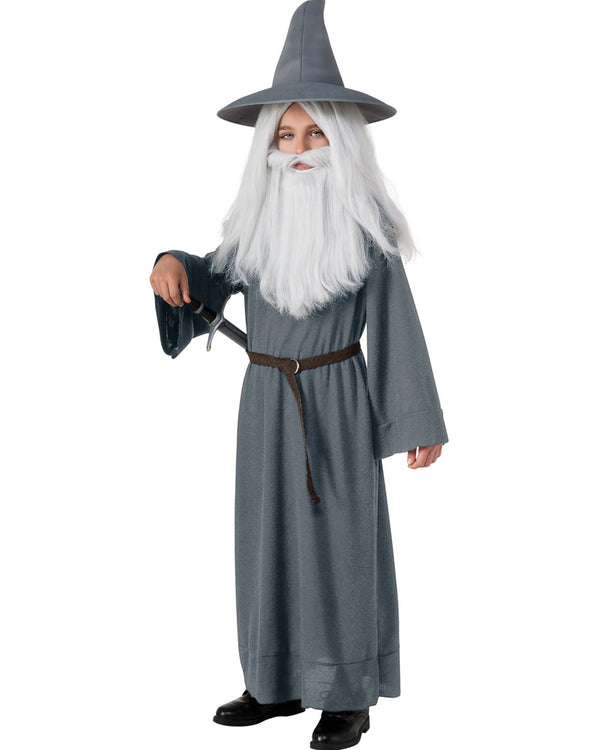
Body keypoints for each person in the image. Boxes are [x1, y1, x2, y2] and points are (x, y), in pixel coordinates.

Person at [149, 2, 448, 749]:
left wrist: (413, 420)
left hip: (338, 402)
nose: (301, 148)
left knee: (341, 543)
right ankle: (274, 681)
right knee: (267, 540)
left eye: (315, 133)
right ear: (268, 147)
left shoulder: (369, 232)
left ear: (342, 141)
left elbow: (398, 328)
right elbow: (209, 276)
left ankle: (345, 693)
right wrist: (169, 262)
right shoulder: (254, 228)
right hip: (266, 403)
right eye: (286, 135)